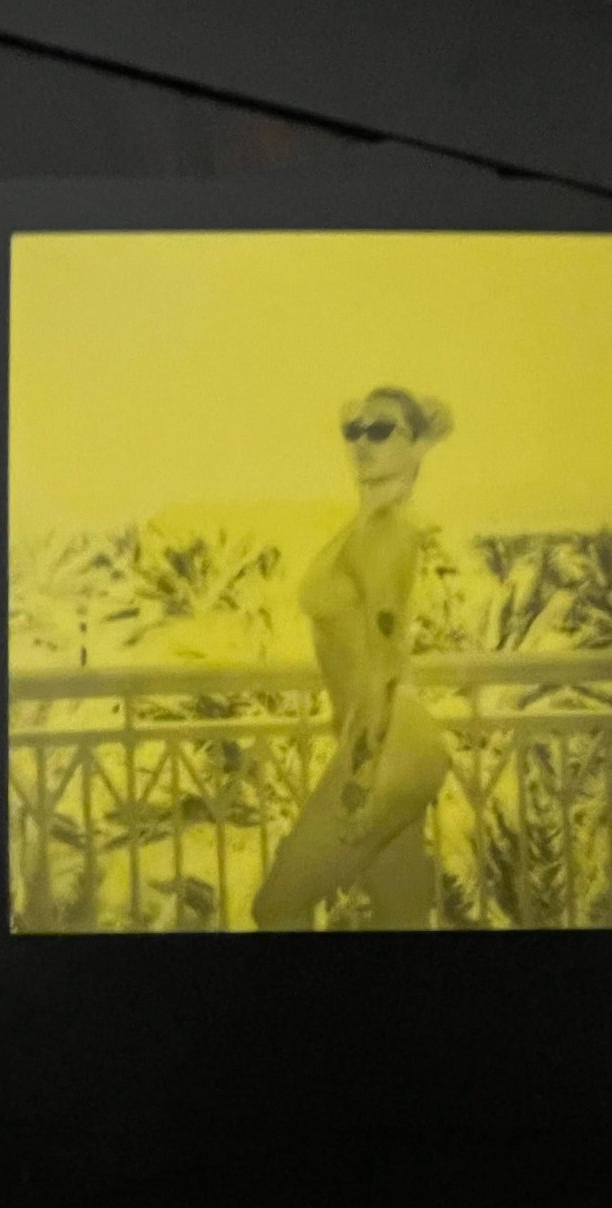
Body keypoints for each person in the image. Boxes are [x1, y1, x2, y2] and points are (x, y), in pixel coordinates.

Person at [251, 387, 452, 931]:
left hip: (386, 743)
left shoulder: (385, 532)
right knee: (400, 915)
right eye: (354, 430)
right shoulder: (367, 526)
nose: (363, 442)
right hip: (391, 741)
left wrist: (362, 776)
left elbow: (386, 661)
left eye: (382, 430)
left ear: (417, 447)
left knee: (277, 905)